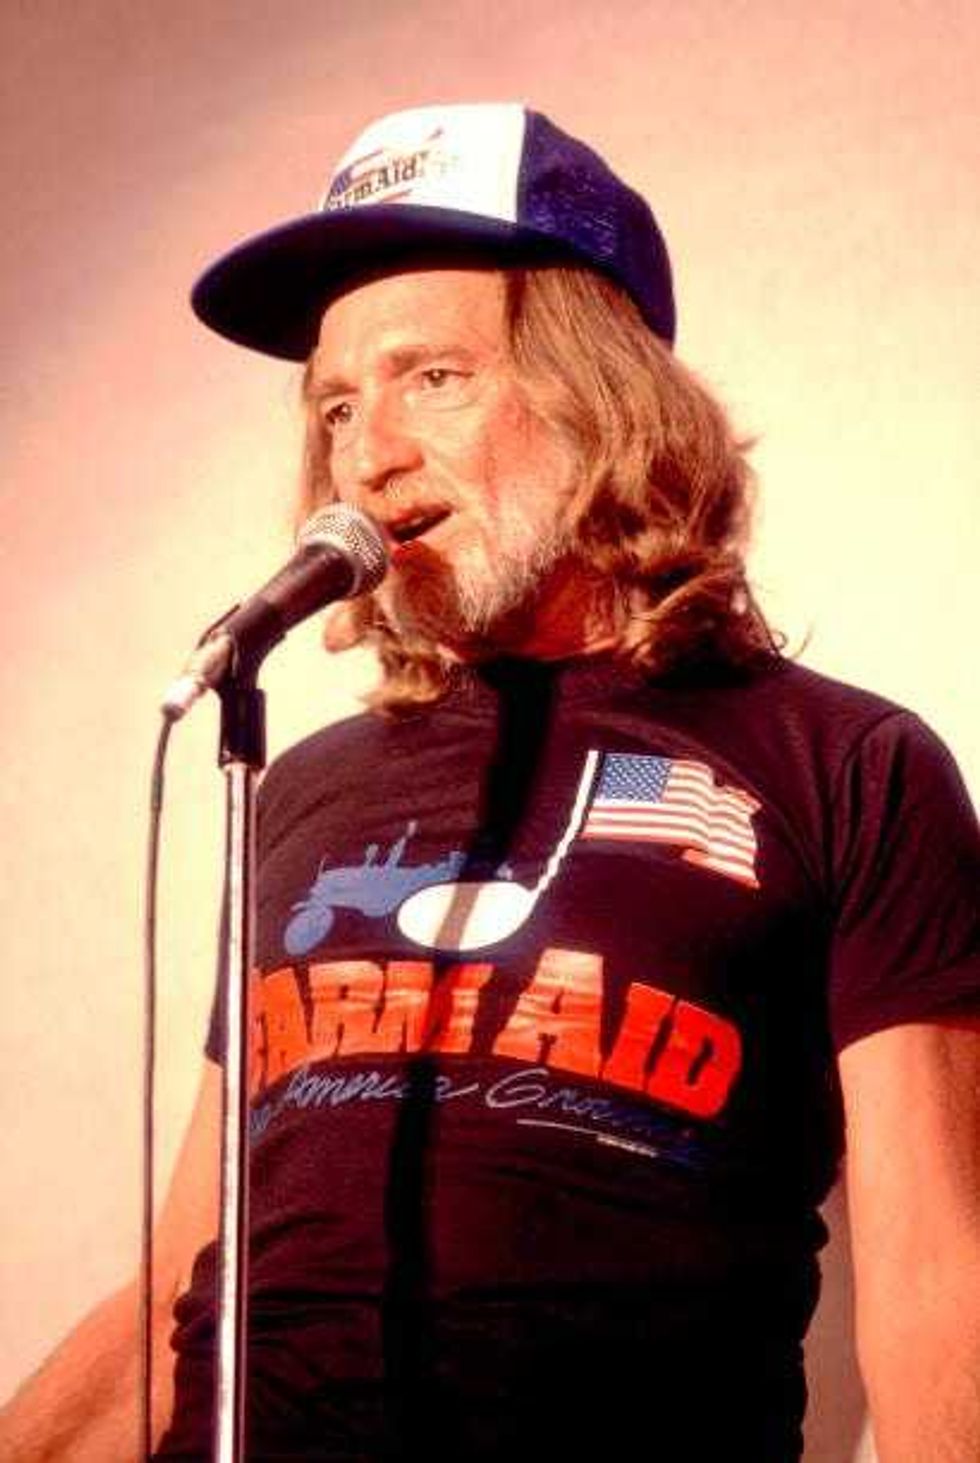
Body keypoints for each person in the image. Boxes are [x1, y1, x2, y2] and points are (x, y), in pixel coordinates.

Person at [2, 101, 978, 1462]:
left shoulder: (846, 767)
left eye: (433, 379)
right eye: (337, 401)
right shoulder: (296, 791)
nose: (369, 449)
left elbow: (943, 1297)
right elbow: (188, 1292)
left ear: (606, 400)